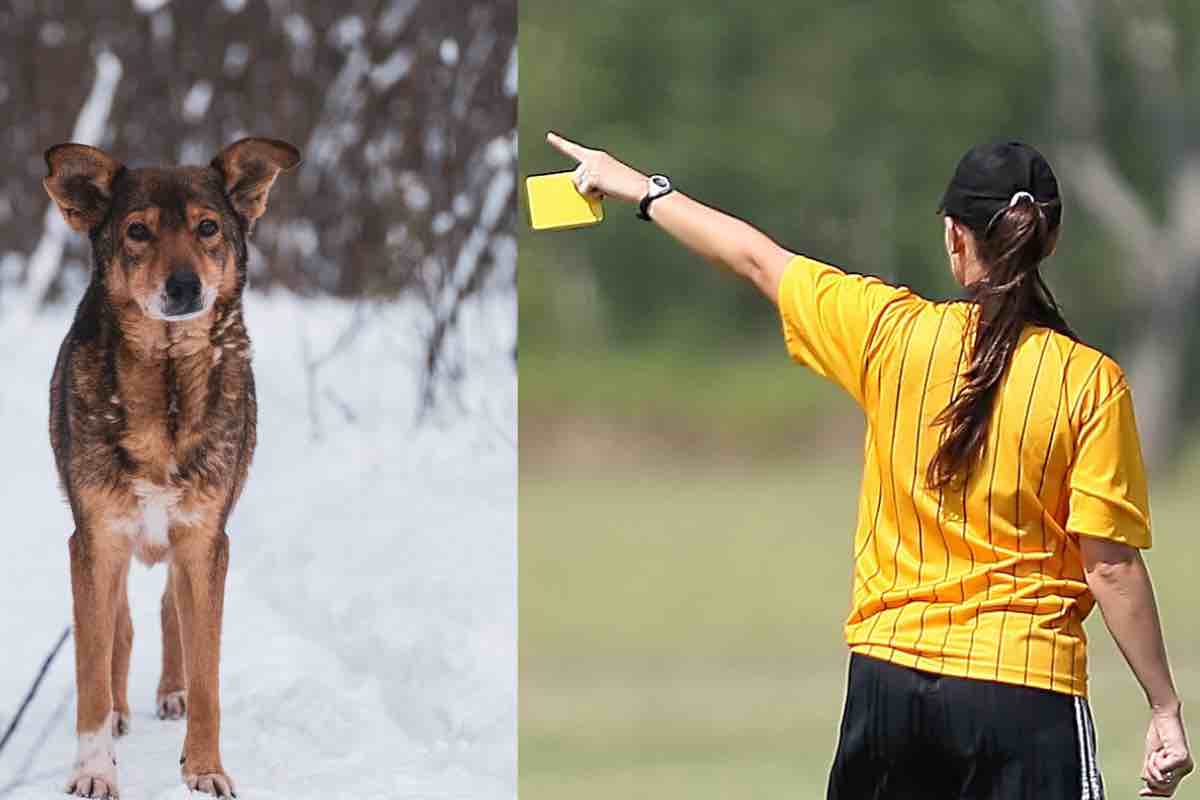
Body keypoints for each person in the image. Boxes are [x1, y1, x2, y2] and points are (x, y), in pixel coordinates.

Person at [545, 132, 1193, 799]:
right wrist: (1164, 707)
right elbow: (1109, 566)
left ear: (954, 237)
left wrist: (640, 189)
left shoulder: (889, 332)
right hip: (1024, 692)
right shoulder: (1090, 382)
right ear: (1048, 240)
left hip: (887, 689)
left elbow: (756, 260)